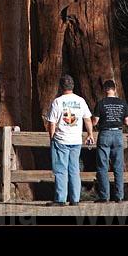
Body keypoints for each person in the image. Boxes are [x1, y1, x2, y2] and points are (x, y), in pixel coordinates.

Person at [44, 74, 94, 206]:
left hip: (61, 140)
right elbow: (87, 119)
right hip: (76, 140)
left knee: (61, 170)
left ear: (61, 87)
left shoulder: (58, 102)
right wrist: (90, 134)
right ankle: (75, 199)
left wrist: (52, 137)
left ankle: (61, 199)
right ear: (73, 86)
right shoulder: (80, 101)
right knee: (74, 170)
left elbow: (52, 123)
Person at [92, 79, 128, 203]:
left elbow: (95, 121)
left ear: (104, 90)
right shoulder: (122, 103)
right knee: (118, 166)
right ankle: (119, 196)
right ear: (115, 89)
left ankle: (104, 196)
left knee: (103, 166)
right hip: (118, 134)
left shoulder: (101, 103)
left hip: (105, 134)